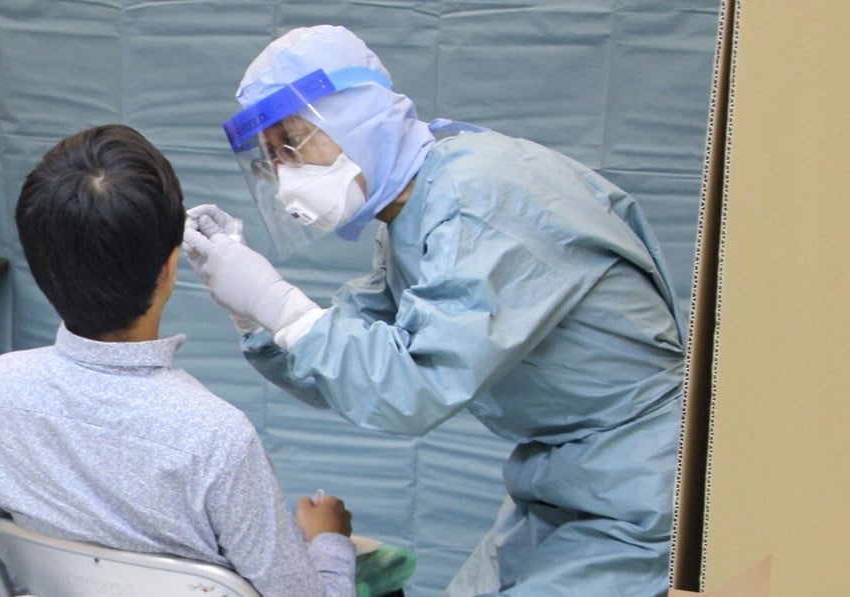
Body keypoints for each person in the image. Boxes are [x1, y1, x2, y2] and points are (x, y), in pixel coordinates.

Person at [183, 25, 686, 596]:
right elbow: (351, 361)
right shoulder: (414, 213)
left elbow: (412, 386)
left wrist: (276, 301)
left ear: (357, 115)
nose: (285, 177)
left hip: (637, 494)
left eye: (294, 144)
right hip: (560, 484)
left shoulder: (476, 200)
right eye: (272, 158)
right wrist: (256, 319)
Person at [0, 124, 358, 596]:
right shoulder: (216, 439)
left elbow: (9, 563)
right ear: (170, 266)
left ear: (38, 260)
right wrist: (329, 543)